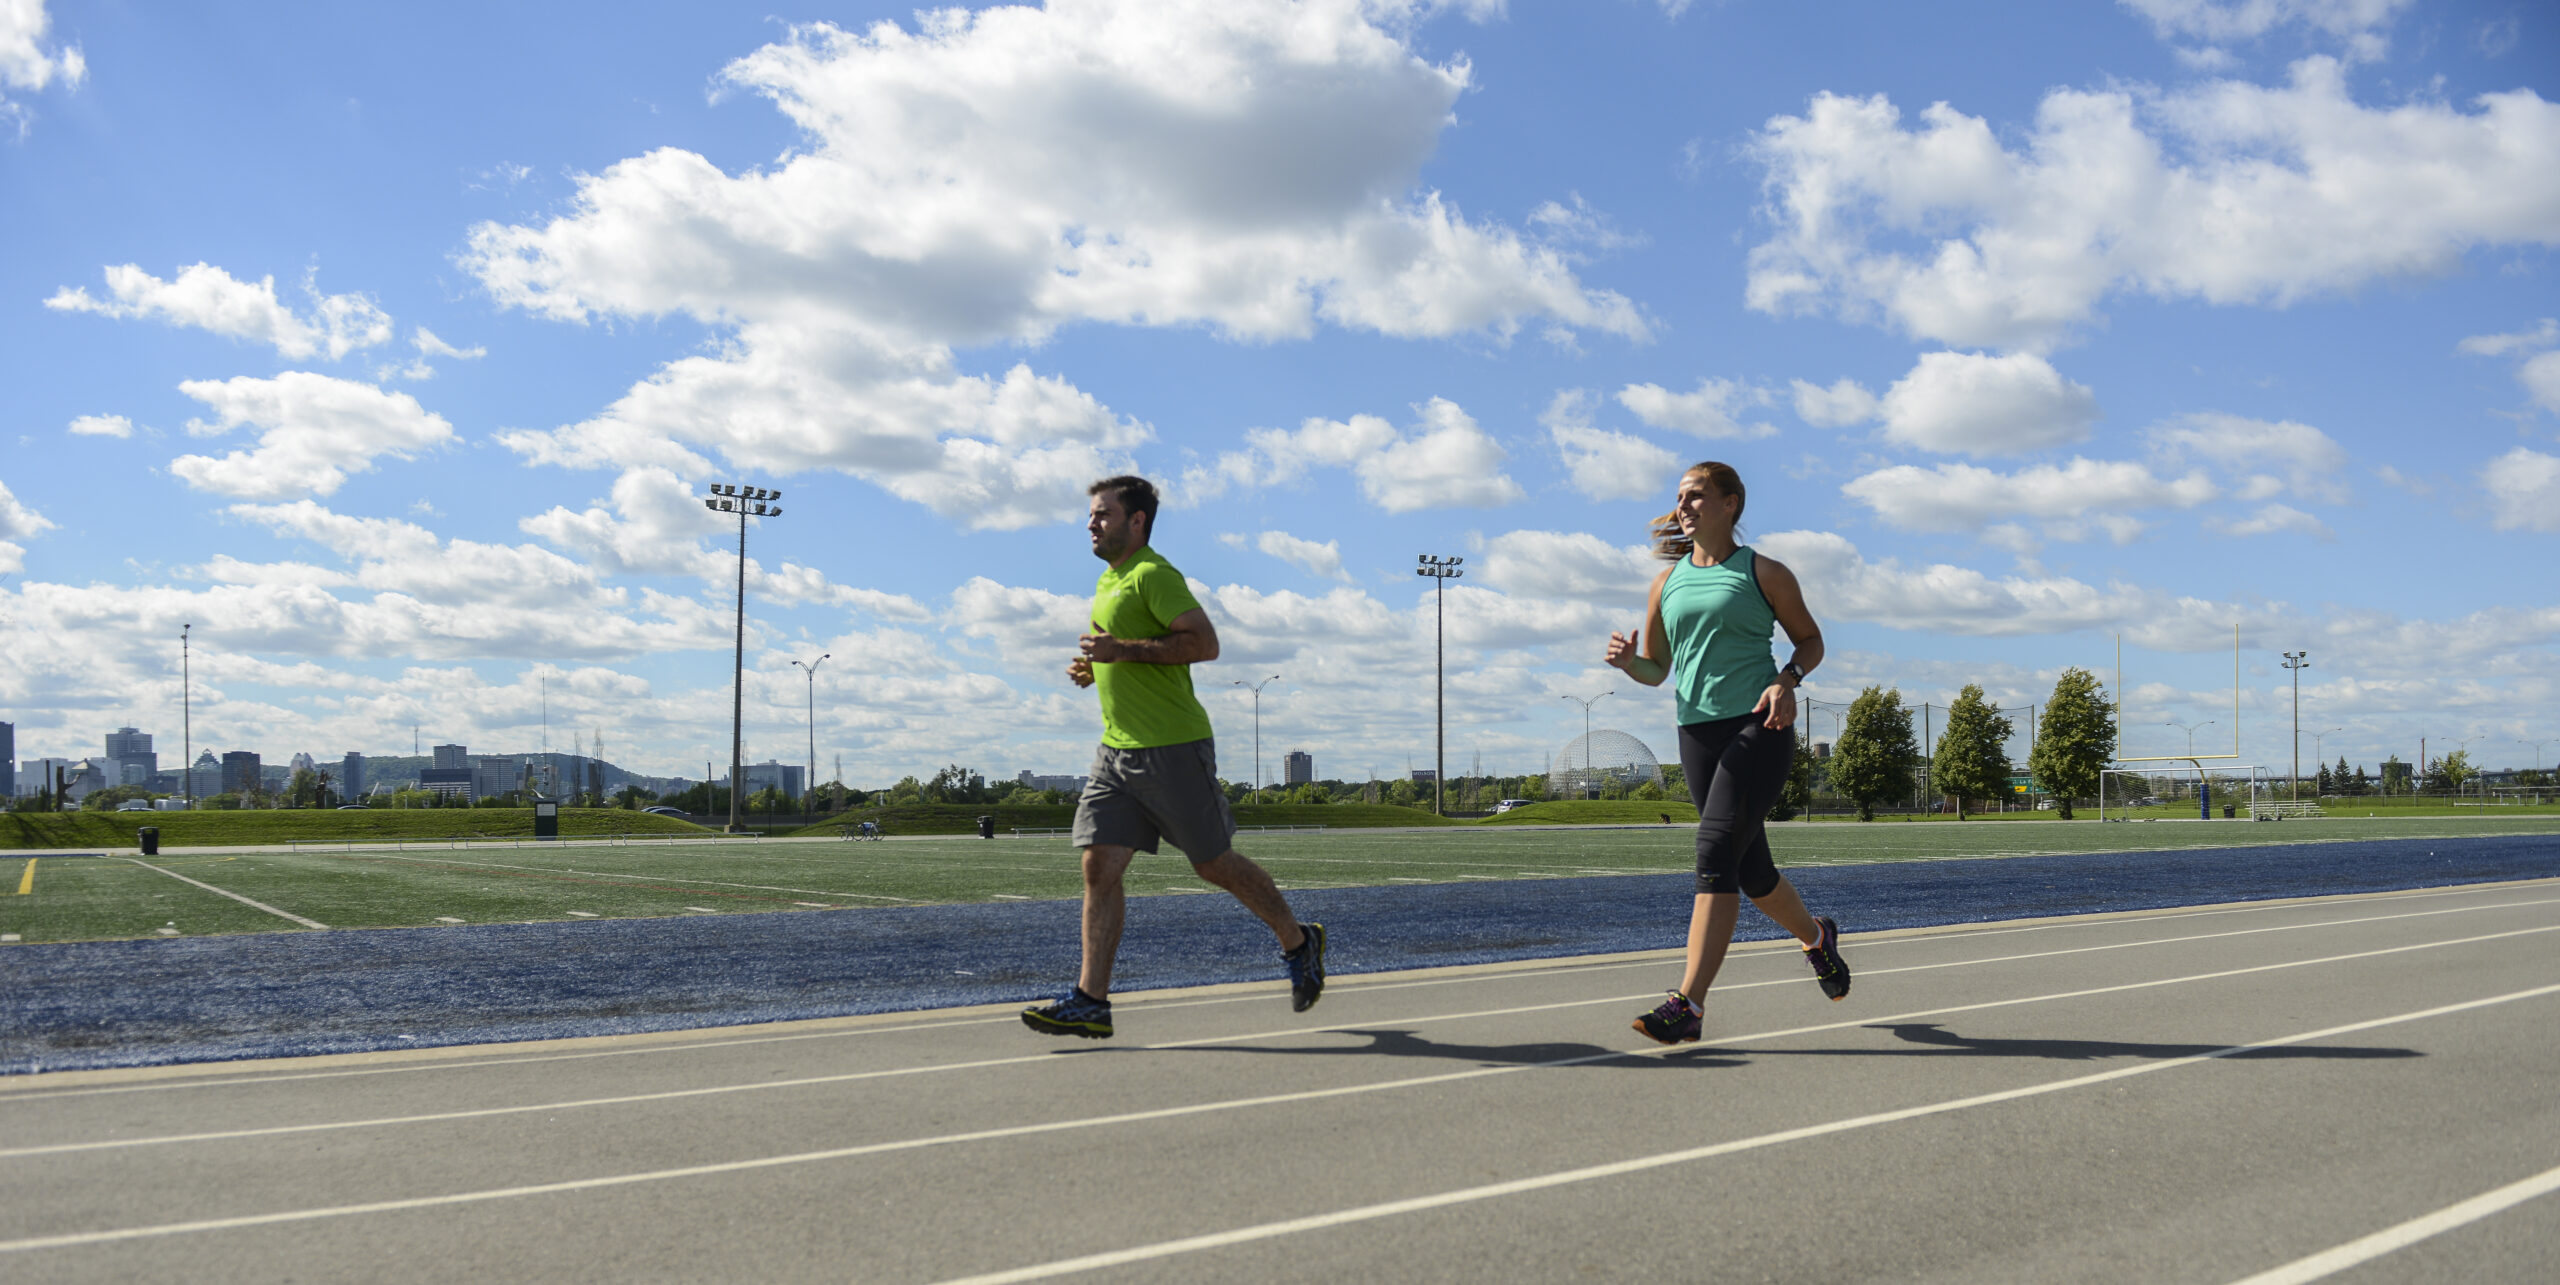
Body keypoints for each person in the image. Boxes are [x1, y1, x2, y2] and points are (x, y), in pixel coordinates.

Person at [1020, 475, 1325, 1039]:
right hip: (1116, 751)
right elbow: (1119, 650)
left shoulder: (1153, 575)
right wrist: (1097, 666)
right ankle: (1091, 1001)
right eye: (1091, 514)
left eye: (1103, 514)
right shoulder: (1108, 582)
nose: (1091, 523)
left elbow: (1203, 644)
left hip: (1172, 748)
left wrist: (1120, 650)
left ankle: (1298, 941)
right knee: (1098, 866)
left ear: (1137, 521)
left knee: (1212, 863)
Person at [1605, 461, 1850, 1044]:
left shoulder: (1763, 572)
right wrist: (1630, 664)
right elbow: (1657, 670)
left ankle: (1688, 1004)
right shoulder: (1666, 583)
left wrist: (1787, 680)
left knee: (1714, 853)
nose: (1683, 506)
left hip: (1759, 724)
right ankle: (1818, 938)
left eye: (1696, 495)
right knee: (1751, 871)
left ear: (1730, 503)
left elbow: (1811, 640)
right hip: (1696, 734)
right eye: (1680, 497)